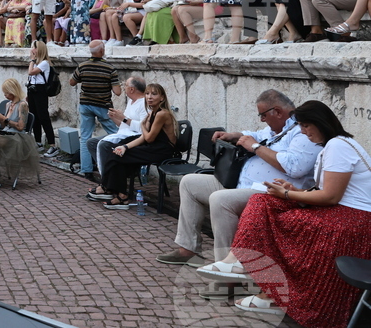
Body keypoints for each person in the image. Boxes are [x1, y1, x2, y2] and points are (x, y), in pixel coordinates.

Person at [227, 100, 371, 325]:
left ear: (319, 123)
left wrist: (288, 195)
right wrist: (296, 191)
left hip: (352, 221)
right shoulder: (335, 145)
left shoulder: (338, 146)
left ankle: (267, 287)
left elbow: (331, 197)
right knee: (263, 203)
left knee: (279, 219)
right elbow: (327, 192)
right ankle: (260, 280)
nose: (303, 132)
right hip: (343, 214)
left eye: (305, 126)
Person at [156, 90, 319, 279]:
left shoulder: (303, 131)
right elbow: (257, 134)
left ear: (278, 112)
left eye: (263, 115)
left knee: (221, 200)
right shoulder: (276, 128)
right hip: (242, 184)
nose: (262, 120)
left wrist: (256, 147)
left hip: (269, 191)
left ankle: (227, 272)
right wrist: (235, 135)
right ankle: (188, 248)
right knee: (190, 182)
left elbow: (295, 167)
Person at [92, 83, 177, 209]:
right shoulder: (152, 113)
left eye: (154, 94)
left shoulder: (162, 114)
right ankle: (117, 192)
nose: (149, 97)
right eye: (147, 94)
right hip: (152, 146)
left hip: (162, 150)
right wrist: (125, 147)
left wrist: (143, 125)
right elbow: (143, 137)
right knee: (117, 152)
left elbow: (148, 137)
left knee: (117, 157)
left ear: (162, 98)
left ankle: (117, 193)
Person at [70, 40, 122, 181]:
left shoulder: (82, 66)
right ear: (102, 50)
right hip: (102, 105)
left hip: (86, 105)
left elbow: (72, 82)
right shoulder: (110, 68)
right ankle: (119, 164)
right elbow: (117, 92)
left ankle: (86, 169)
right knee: (116, 134)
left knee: (85, 136)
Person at [85, 76, 147, 182]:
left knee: (104, 145)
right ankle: (109, 174)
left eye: (126, 85)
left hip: (135, 138)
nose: (124, 88)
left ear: (132, 89)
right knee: (92, 143)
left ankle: (111, 178)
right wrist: (115, 118)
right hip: (124, 134)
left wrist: (123, 118)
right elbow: (125, 125)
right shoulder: (131, 102)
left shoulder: (144, 104)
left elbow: (143, 128)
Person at [26, 41, 56, 155]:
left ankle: (52, 144)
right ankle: (38, 141)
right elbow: (31, 78)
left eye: (34, 47)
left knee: (44, 117)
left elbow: (31, 72)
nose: (32, 50)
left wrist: (32, 60)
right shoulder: (36, 63)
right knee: (34, 117)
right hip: (32, 90)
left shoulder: (44, 63)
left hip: (40, 91)